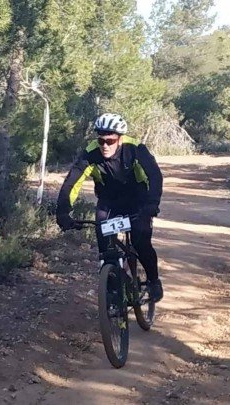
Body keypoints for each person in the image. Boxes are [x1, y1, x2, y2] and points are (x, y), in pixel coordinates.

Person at [56, 113, 164, 302]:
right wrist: (63, 211)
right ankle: (114, 287)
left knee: (141, 241)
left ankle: (154, 281)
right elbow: (72, 183)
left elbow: (154, 176)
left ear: (120, 139)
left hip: (138, 201)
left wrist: (152, 204)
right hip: (109, 201)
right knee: (105, 246)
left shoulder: (134, 149)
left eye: (110, 141)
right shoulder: (91, 153)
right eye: (101, 140)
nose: (105, 145)